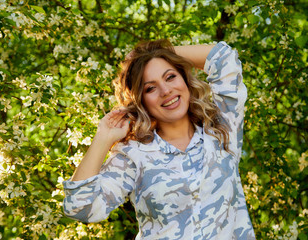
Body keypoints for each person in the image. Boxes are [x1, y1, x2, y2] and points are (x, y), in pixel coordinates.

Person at [63, 39, 256, 239]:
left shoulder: (222, 129)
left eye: (170, 77)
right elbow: (79, 207)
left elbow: (223, 58)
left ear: (185, 80)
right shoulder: (134, 155)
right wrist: (103, 138)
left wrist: (157, 53)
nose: (165, 91)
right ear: (141, 101)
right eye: (150, 88)